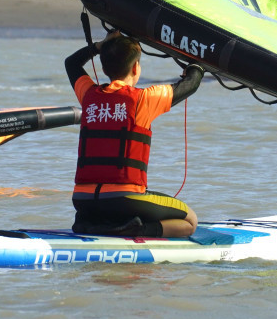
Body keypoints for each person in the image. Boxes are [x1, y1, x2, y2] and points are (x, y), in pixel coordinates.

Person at [65, 29, 204, 237]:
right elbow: (192, 83)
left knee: (115, 205)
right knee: (190, 221)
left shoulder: (89, 95)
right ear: (136, 67)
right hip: (125, 200)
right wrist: (196, 63)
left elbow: (71, 63)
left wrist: (98, 46)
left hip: (83, 201)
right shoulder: (142, 100)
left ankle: (98, 225)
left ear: (103, 68)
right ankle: (136, 229)